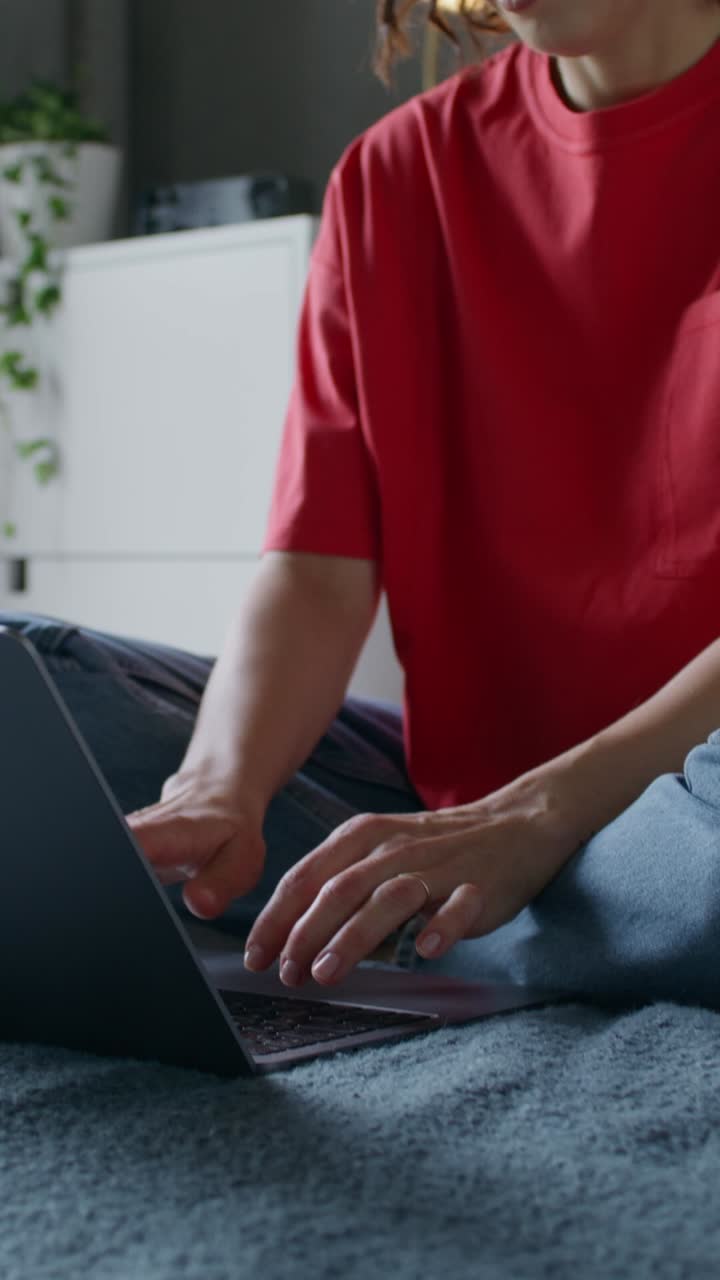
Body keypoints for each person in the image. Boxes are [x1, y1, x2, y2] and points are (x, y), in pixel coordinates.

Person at [5, 0, 720, 1008]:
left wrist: (545, 811)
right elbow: (315, 569)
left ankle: (458, 930)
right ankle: (470, 921)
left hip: (688, 794)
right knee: (24, 670)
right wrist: (220, 786)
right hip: (444, 808)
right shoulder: (395, 173)